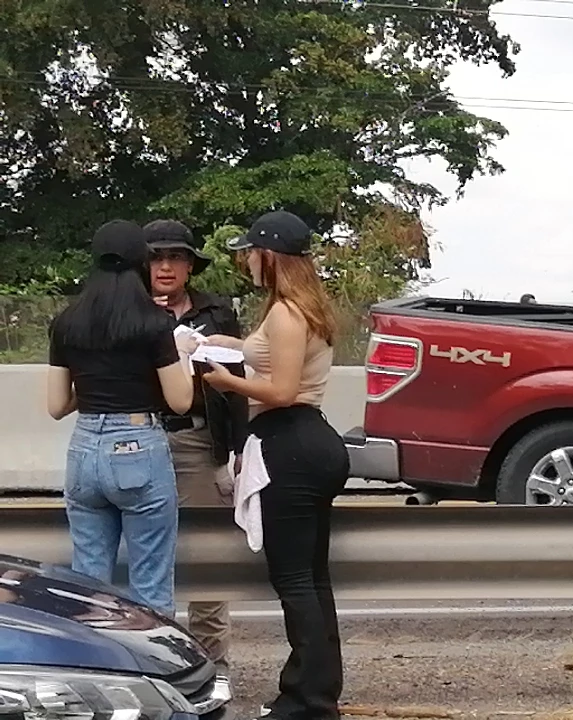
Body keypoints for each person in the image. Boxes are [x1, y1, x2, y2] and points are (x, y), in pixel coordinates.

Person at [201, 210, 349, 720]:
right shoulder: (307, 309)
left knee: (293, 580)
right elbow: (275, 359)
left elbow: (282, 391)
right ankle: (318, 691)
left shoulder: (286, 312)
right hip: (314, 440)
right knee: (314, 578)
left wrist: (229, 382)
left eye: (250, 252)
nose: (245, 261)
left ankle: (306, 700)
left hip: (291, 444)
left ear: (271, 256)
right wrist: (230, 345)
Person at [46, 219, 197, 618]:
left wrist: (97, 383)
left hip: (84, 450)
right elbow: (180, 401)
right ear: (140, 262)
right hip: (137, 446)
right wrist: (181, 351)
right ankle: (155, 673)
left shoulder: (66, 322)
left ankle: (91, 670)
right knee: (150, 585)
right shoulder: (153, 323)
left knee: (87, 583)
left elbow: (57, 405)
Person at [145, 218, 249, 669]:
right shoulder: (127, 308)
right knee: (145, 555)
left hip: (196, 437)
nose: (166, 267)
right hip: (139, 435)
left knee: (206, 551)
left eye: (176, 258)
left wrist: (239, 447)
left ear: (190, 266)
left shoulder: (216, 312)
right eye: (156, 258)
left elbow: (236, 381)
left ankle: (212, 664)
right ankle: (150, 661)